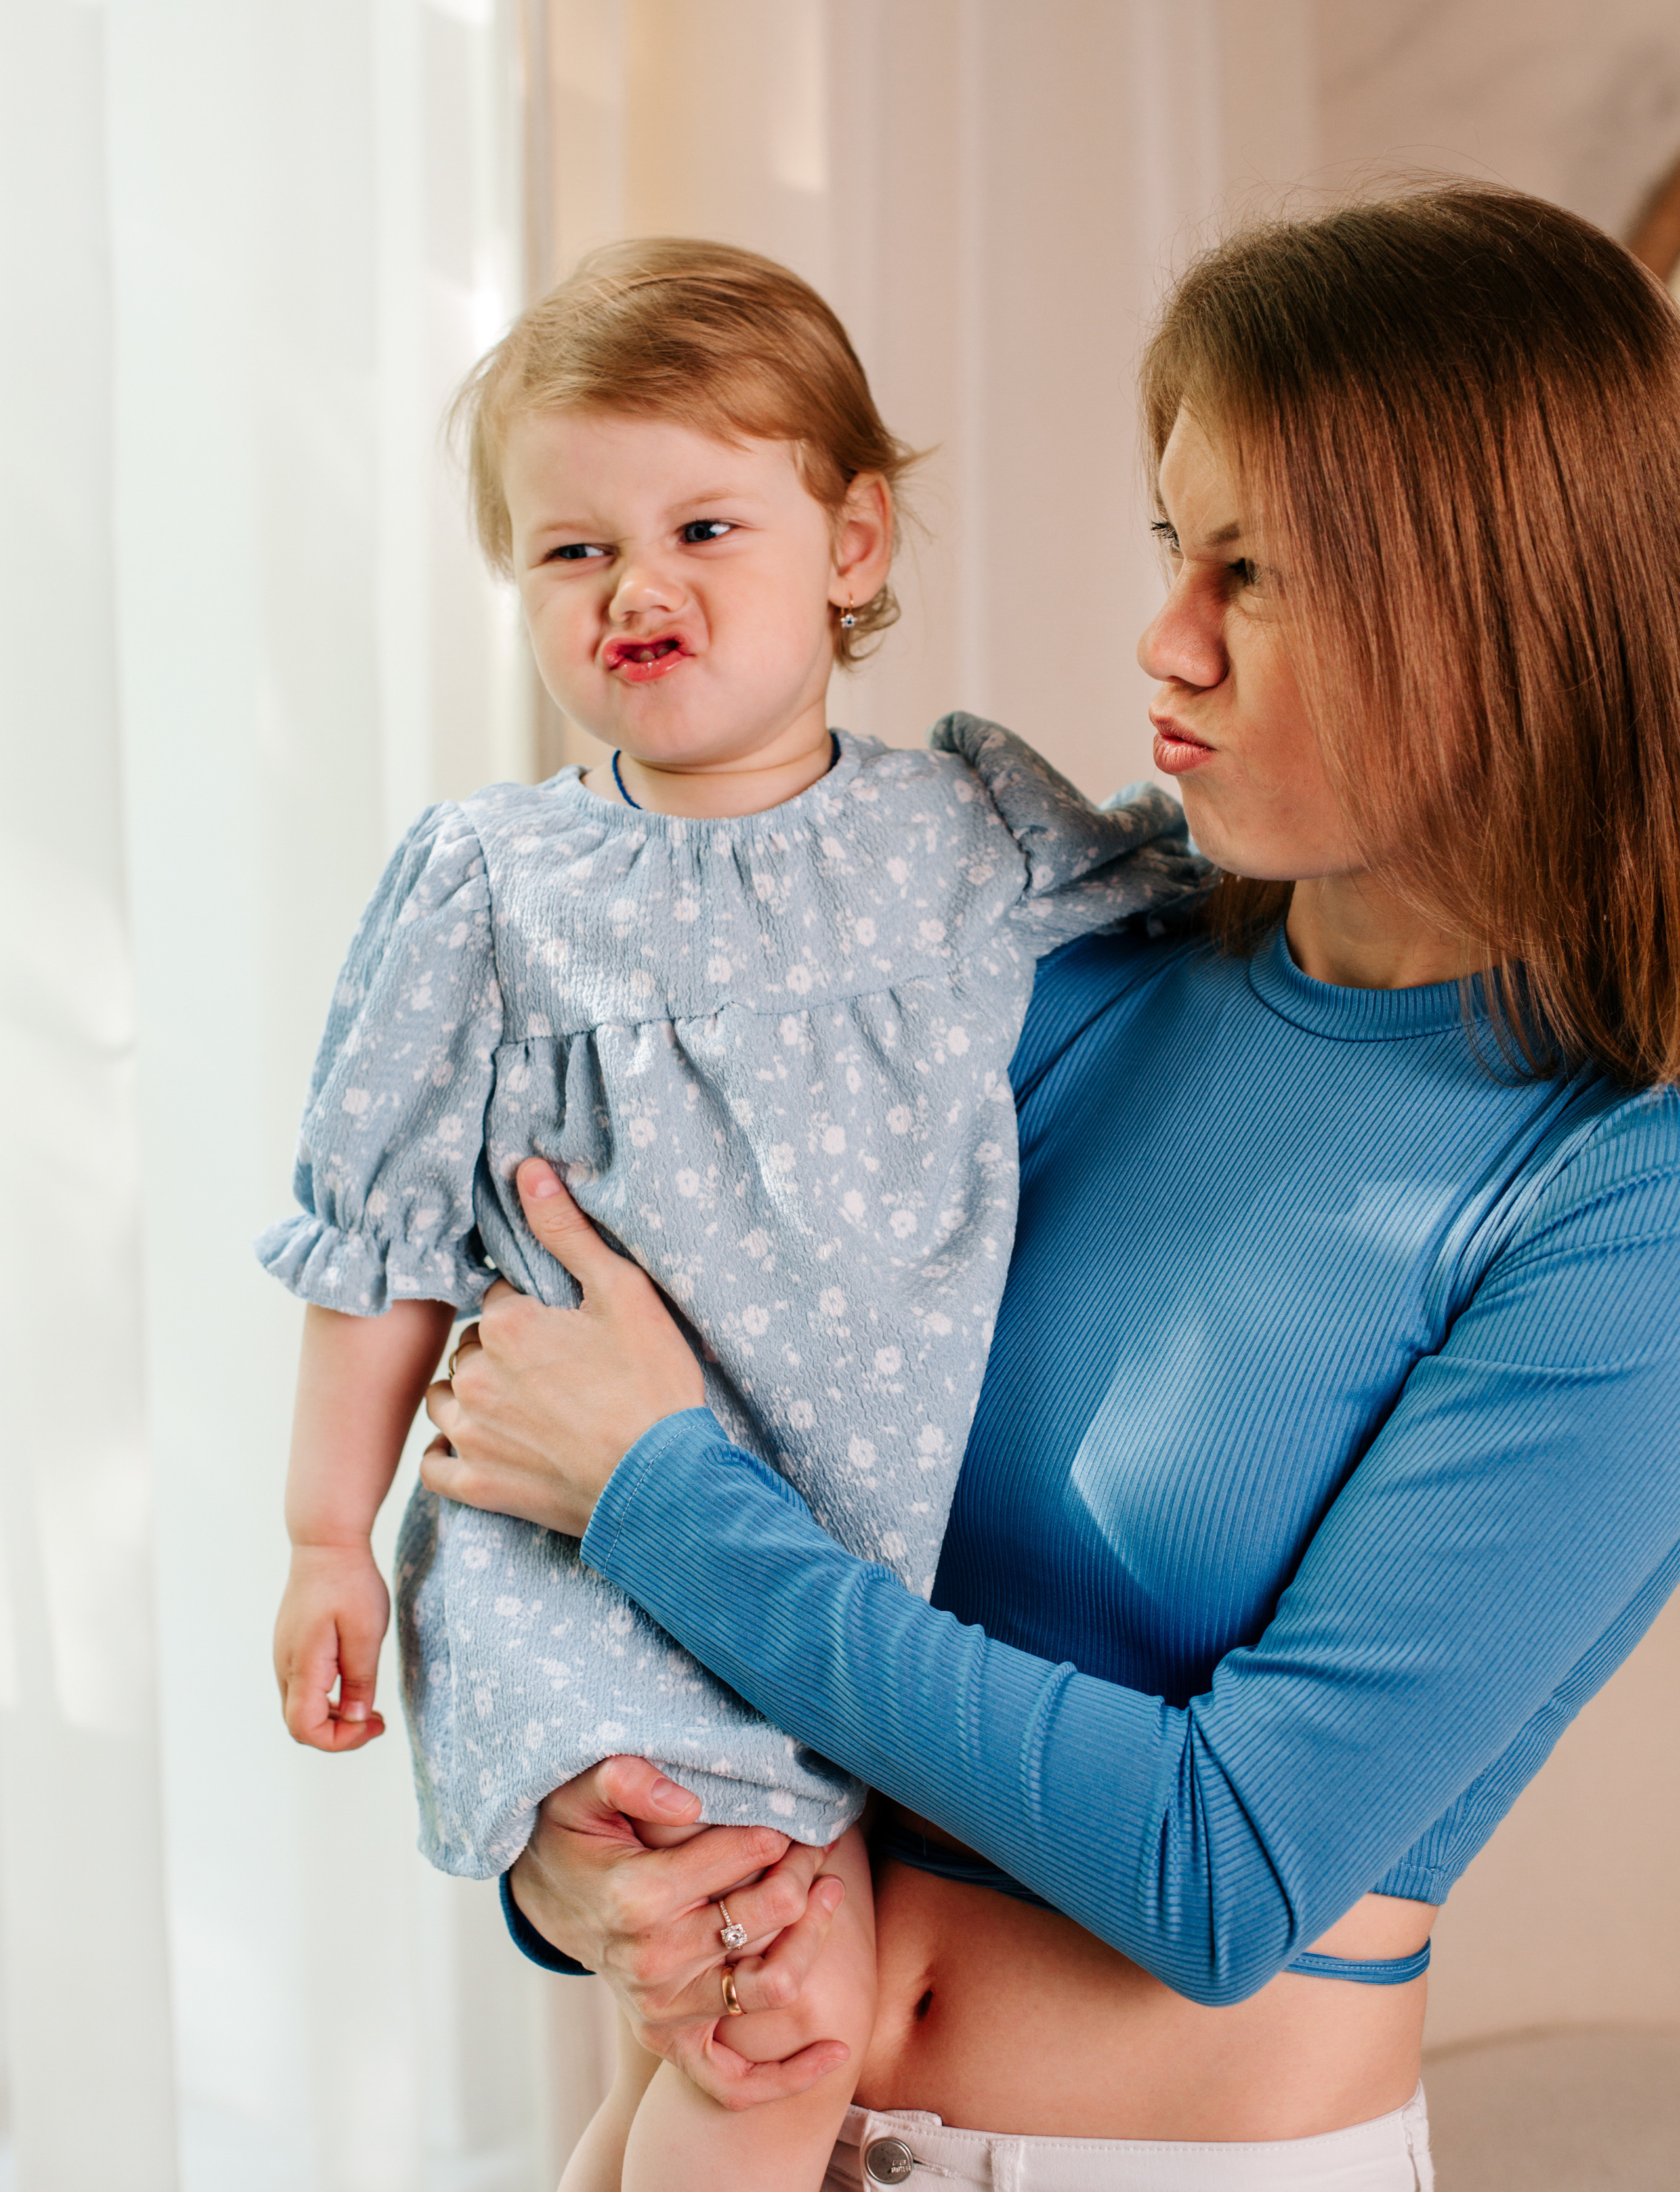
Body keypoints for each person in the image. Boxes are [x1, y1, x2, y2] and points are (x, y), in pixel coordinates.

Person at [421, 186, 1680, 2192]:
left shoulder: (1624, 1201)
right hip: (754, 2121)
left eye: (1250, 576)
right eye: (1176, 548)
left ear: (1496, 613)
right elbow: (644, 1435)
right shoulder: (1050, 972)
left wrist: (663, 1499)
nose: (1161, 639)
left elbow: (1221, 1870)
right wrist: (584, 1865)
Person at [259, 238, 1202, 2192]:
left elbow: (1213, 916)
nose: (639, 588)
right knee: (777, 2051)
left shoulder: (965, 833)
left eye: (703, 524)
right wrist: (323, 1535)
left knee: (687, 2065)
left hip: (823, 1566)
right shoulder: (497, 885)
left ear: (854, 544)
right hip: (580, 1571)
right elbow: (380, 1244)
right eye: (572, 550)